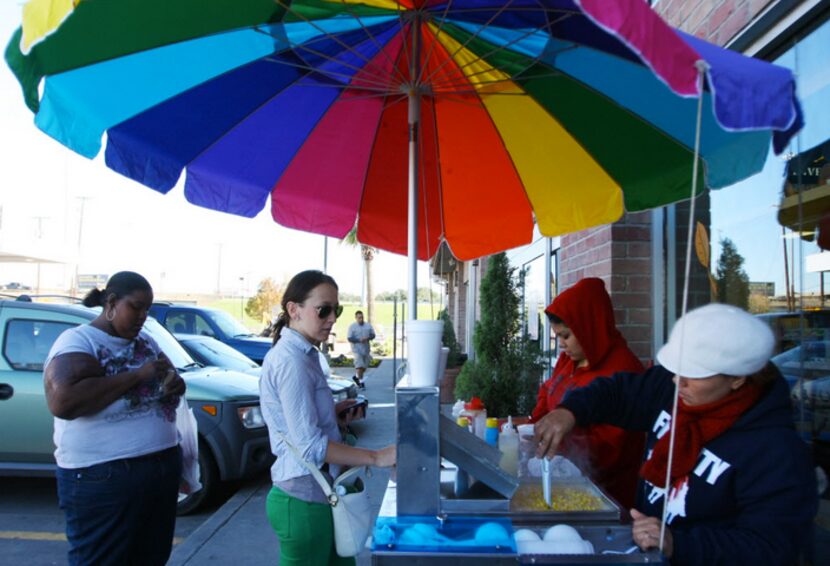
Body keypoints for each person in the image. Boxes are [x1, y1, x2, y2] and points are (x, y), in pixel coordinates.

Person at [535, 303, 818, 564]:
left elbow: (770, 548)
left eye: (694, 373)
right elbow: (616, 392)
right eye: (676, 368)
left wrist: (677, 543)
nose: (676, 380)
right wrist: (570, 411)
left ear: (737, 378)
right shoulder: (671, 389)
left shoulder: (777, 452)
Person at [43, 271, 187, 566]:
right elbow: (65, 401)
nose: (143, 316)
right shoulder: (78, 341)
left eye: (148, 309)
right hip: (104, 475)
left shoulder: (145, 341)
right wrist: (136, 376)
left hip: (158, 468)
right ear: (111, 303)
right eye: (135, 307)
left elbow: (173, 377)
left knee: (150, 557)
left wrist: (175, 382)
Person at [260, 270, 395, 566]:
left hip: (319, 494)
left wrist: (332, 415)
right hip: (304, 500)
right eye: (324, 310)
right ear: (293, 310)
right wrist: (376, 457)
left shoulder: (305, 355)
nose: (333, 318)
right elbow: (309, 446)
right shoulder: (292, 361)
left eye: (337, 309)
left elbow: (297, 422)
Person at [529, 277, 645, 508]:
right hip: (560, 477)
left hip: (606, 496)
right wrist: (536, 427)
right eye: (557, 336)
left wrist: (558, 446)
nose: (561, 344)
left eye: (566, 336)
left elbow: (611, 448)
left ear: (590, 327)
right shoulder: (569, 359)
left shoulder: (623, 371)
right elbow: (548, 391)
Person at [347, 309, 375, 389]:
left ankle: (356, 377)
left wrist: (368, 338)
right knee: (359, 366)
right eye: (359, 318)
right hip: (356, 350)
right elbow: (349, 338)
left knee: (364, 367)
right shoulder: (352, 327)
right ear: (356, 318)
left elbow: (373, 335)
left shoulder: (368, 325)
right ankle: (361, 383)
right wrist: (359, 340)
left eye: (362, 317)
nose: (361, 319)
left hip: (366, 349)